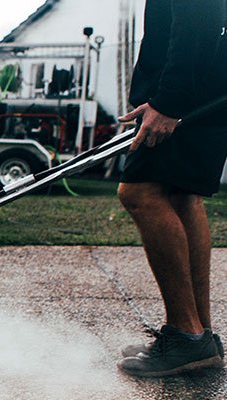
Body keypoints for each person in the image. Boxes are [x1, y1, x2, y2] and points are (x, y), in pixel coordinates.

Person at [115, 0, 227, 377]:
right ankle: (200, 336)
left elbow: (199, 17)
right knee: (180, 196)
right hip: (203, 94)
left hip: (186, 99)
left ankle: (186, 333)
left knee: (138, 193)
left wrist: (169, 101)